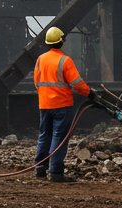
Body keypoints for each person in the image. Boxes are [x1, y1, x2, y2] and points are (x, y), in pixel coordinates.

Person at [33, 26, 93, 182]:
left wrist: (45, 96)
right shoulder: (65, 61)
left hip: (44, 105)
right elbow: (77, 83)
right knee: (59, 138)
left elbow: (37, 82)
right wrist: (90, 93)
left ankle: (40, 169)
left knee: (44, 135)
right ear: (61, 42)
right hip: (61, 106)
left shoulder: (40, 59)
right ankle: (56, 172)